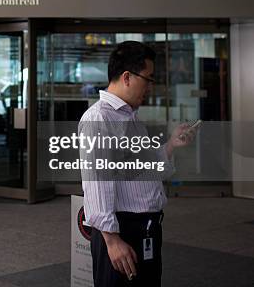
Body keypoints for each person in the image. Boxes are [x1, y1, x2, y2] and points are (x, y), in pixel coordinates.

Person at [79, 41, 195, 287]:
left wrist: (171, 145)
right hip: (122, 232)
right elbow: (97, 183)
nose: (150, 88)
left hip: (145, 229)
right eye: (148, 79)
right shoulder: (100, 118)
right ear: (127, 77)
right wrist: (112, 240)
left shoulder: (129, 117)